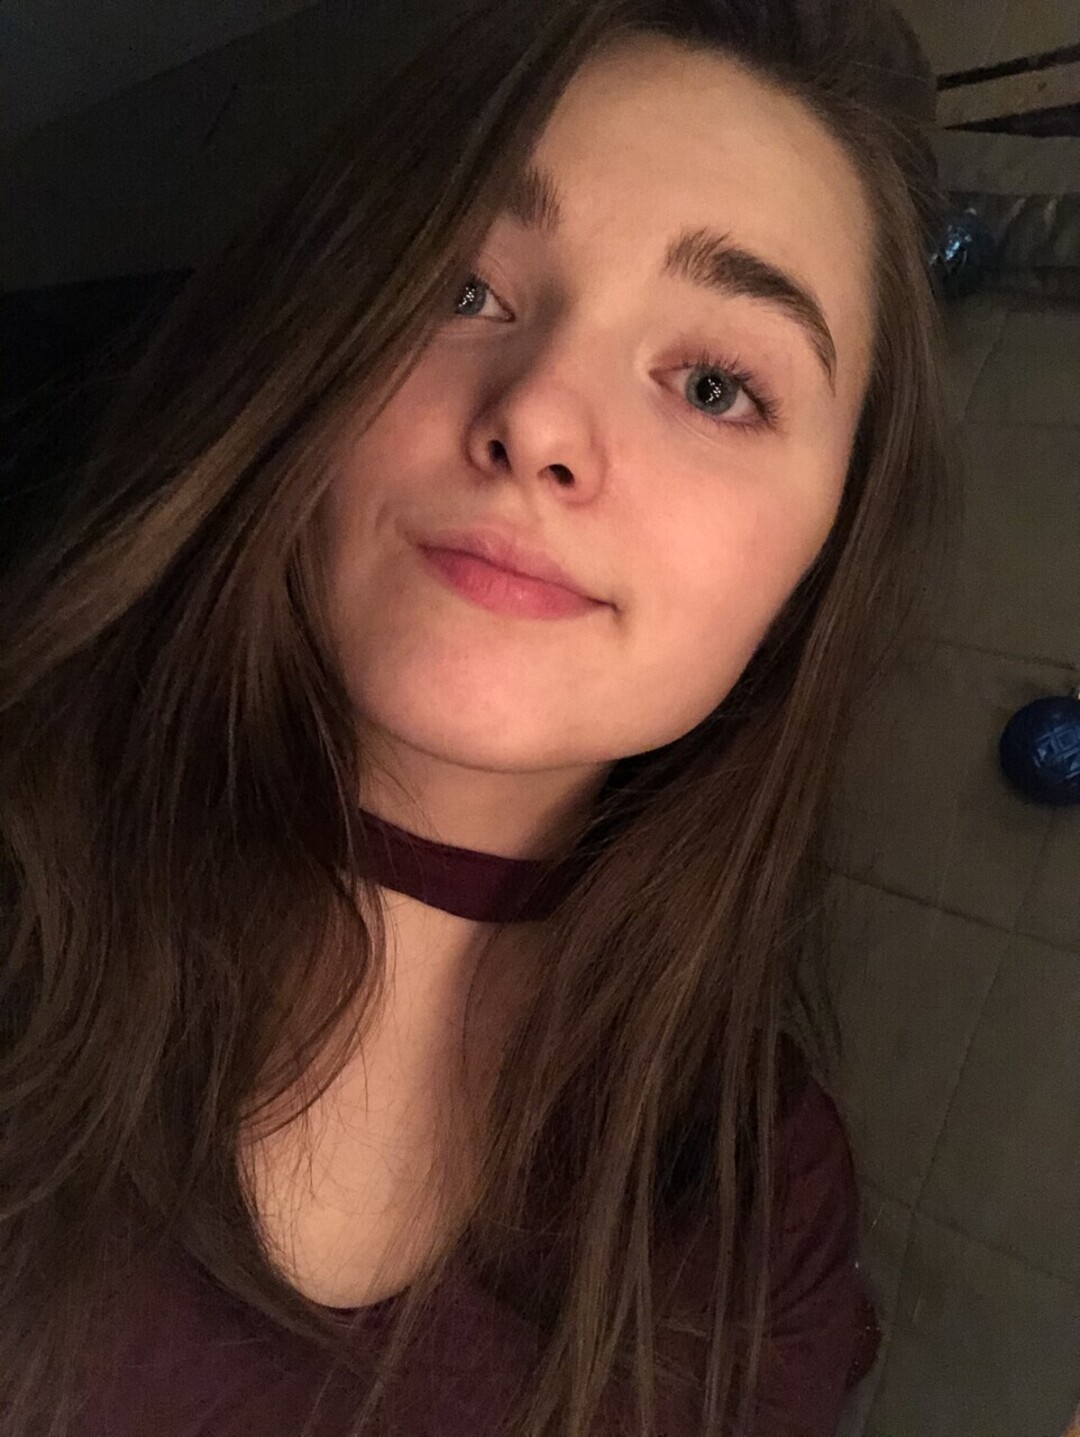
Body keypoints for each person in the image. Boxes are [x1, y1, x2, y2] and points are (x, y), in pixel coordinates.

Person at [0, 0, 957, 1433]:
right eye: (463, 288)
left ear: (824, 554)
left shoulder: (761, 1202)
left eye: (715, 385)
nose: (540, 419)